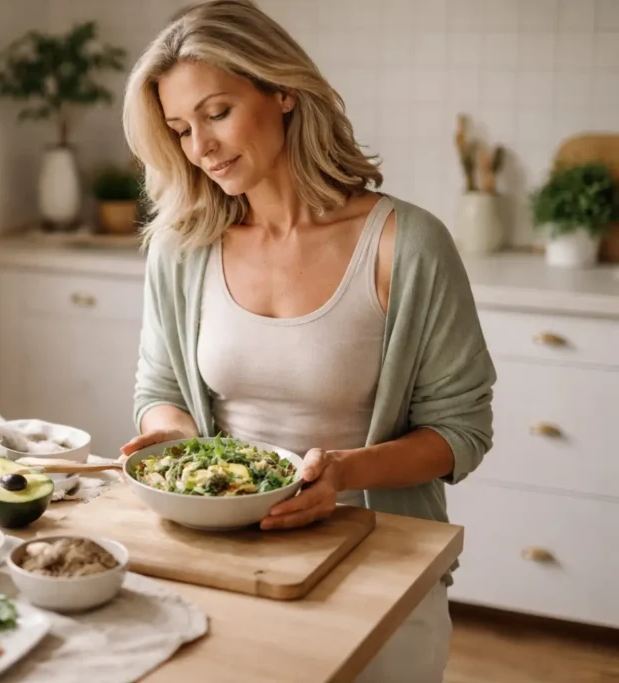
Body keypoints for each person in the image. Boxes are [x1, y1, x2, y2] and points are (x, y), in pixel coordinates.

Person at [117, 1, 496, 681]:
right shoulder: (181, 247)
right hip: (229, 565)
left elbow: (460, 431)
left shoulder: (406, 244)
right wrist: (172, 438)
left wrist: (345, 473)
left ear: (282, 91)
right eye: (178, 128)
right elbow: (161, 390)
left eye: (217, 112)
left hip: (378, 561)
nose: (199, 147)